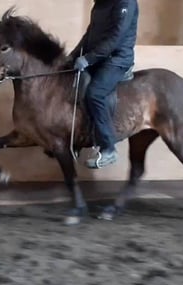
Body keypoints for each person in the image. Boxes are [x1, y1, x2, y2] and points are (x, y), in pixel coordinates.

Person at [68, 0, 139, 169]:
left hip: (117, 60)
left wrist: (88, 59)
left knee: (95, 94)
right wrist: (71, 57)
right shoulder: (100, 4)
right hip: (98, 58)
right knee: (72, 85)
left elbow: (115, 38)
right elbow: (90, 35)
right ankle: (80, 138)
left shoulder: (126, 3)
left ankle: (108, 149)